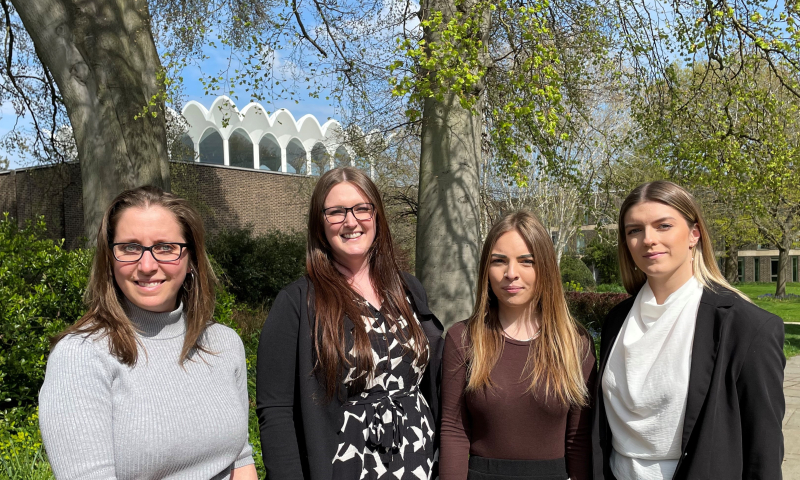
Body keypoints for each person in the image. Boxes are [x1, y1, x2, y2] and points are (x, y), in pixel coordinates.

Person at [39, 186, 256, 480]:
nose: (147, 265)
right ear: (110, 259)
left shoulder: (224, 343)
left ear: (191, 259)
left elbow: (240, 458)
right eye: (129, 247)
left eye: (165, 247)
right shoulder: (81, 356)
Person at [256, 166, 444, 480]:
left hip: (419, 459)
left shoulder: (408, 289)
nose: (351, 221)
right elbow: (276, 412)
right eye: (336, 212)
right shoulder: (298, 303)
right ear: (320, 223)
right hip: (349, 464)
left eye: (361, 209)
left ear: (377, 216)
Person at [593, 180, 785, 479]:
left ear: (694, 234)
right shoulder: (617, 320)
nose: (648, 239)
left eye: (663, 225)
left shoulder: (745, 326)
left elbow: (763, 450)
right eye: (635, 230)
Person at [440, 210, 597, 480]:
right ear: (486, 270)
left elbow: (578, 439)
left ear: (545, 268)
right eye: (499, 261)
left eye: (527, 261)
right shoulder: (463, 338)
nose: (511, 273)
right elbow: (453, 432)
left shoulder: (575, 342)